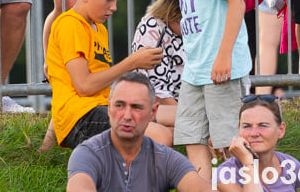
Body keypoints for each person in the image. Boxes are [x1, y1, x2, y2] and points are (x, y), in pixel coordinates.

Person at [146, 0, 253, 183]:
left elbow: (236, 3)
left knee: (228, 140)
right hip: (195, 71)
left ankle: (244, 187)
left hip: (220, 67)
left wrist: (224, 54)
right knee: (191, 135)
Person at [44, 0, 168, 151]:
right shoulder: (70, 25)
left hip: (100, 109)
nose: (114, 7)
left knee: (176, 122)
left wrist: (45, 148)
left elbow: (65, 89)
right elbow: (83, 87)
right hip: (83, 118)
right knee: (162, 136)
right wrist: (132, 62)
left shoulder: (99, 29)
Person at [66, 72, 211, 192]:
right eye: (119, 105)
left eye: (136, 107)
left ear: (152, 112)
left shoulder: (166, 158)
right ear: (109, 108)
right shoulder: (88, 153)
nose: (127, 116)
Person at [214, 94, 300, 191]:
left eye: (263, 125)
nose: (254, 133)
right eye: (247, 126)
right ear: (239, 130)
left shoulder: (290, 165)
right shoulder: (225, 174)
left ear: (281, 130)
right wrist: (247, 162)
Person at [130, 0, 183, 131]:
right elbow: (160, 94)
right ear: (171, 15)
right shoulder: (153, 29)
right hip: (159, 106)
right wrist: (191, 118)